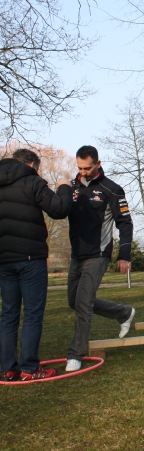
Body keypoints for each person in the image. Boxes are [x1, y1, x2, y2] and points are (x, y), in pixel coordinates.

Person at [0, 149, 72, 381]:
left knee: (8, 314)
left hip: (3, 260)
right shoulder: (32, 181)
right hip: (31, 259)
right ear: (32, 164)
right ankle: (30, 369)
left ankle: (8, 368)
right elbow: (59, 209)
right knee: (32, 314)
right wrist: (63, 187)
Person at [65, 145, 135, 372]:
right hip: (77, 254)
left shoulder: (112, 190)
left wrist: (124, 255)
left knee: (84, 303)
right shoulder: (72, 187)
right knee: (73, 301)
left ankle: (76, 354)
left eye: (87, 167)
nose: (83, 172)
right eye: (80, 168)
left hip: (99, 254)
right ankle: (123, 312)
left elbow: (125, 223)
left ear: (98, 164)